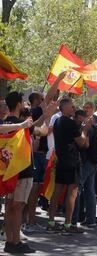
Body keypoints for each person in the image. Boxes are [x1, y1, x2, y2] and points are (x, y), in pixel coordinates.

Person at [3, 90, 56, 254]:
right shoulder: (22, 125)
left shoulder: (7, 124)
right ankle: (16, 242)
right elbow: (43, 131)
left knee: (10, 206)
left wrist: (45, 115)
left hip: (8, 171)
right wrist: (47, 117)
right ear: (19, 104)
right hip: (24, 171)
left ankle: (10, 240)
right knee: (18, 207)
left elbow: (35, 126)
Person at [47, 97, 93, 234]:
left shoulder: (58, 122)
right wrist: (85, 130)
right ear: (65, 108)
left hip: (61, 160)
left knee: (57, 191)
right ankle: (68, 224)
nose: (74, 109)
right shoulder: (70, 123)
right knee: (72, 194)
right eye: (72, 107)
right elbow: (82, 143)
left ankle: (51, 221)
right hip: (72, 161)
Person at [71, 103, 97, 228]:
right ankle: (90, 219)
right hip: (94, 161)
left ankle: (74, 220)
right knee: (90, 190)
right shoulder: (94, 127)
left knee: (77, 190)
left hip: (86, 162)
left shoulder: (86, 128)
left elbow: (84, 145)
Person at [23, 92, 49, 233]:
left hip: (39, 156)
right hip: (36, 155)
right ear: (35, 101)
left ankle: (30, 221)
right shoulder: (35, 111)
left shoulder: (37, 112)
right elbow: (36, 130)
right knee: (31, 191)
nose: (44, 101)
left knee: (34, 190)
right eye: (41, 99)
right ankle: (27, 222)